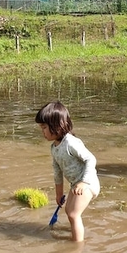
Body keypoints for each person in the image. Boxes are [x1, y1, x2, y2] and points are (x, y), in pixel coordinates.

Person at [35, 101, 99, 242]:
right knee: (69, 211)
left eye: (44, 127)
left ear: (56, 126)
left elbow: (91, 159)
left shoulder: (70, 142)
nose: (42, 132)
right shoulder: (54, 148)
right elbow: (57, 172)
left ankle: (76, 247)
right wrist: (58, 194)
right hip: (76, 184)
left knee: (73, 214)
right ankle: (76, 231)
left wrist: (83, 182)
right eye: (41, 128)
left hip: (87, 183)